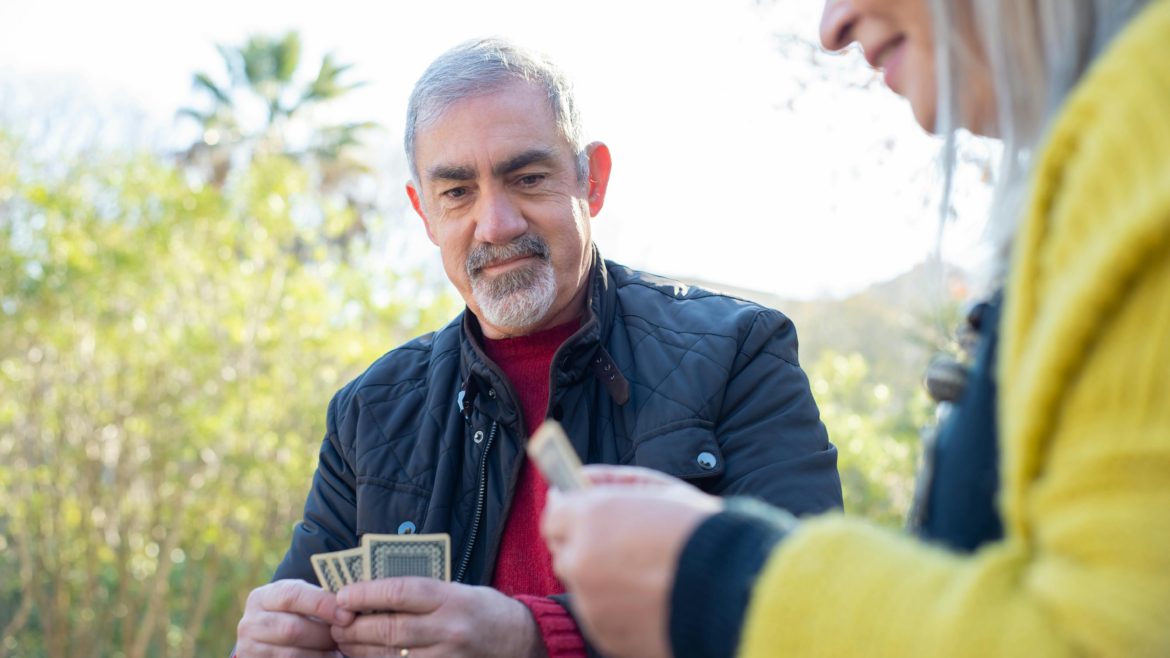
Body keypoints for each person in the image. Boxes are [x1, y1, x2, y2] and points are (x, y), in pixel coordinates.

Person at [542, 0, 1170, 656]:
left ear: (594, 181)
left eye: (530, 177)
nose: (832, 26)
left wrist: (715, 577)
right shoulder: (1111, 153)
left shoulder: (1146, 133)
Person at [233, 38, 843, 658]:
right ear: (424, 213)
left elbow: (812, 614)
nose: (496, 223)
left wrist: (534, 636)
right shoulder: (368, 413)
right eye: (457, 192)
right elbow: (309, 619)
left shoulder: (739, 354)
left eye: (526, 178)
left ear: (592, 180)